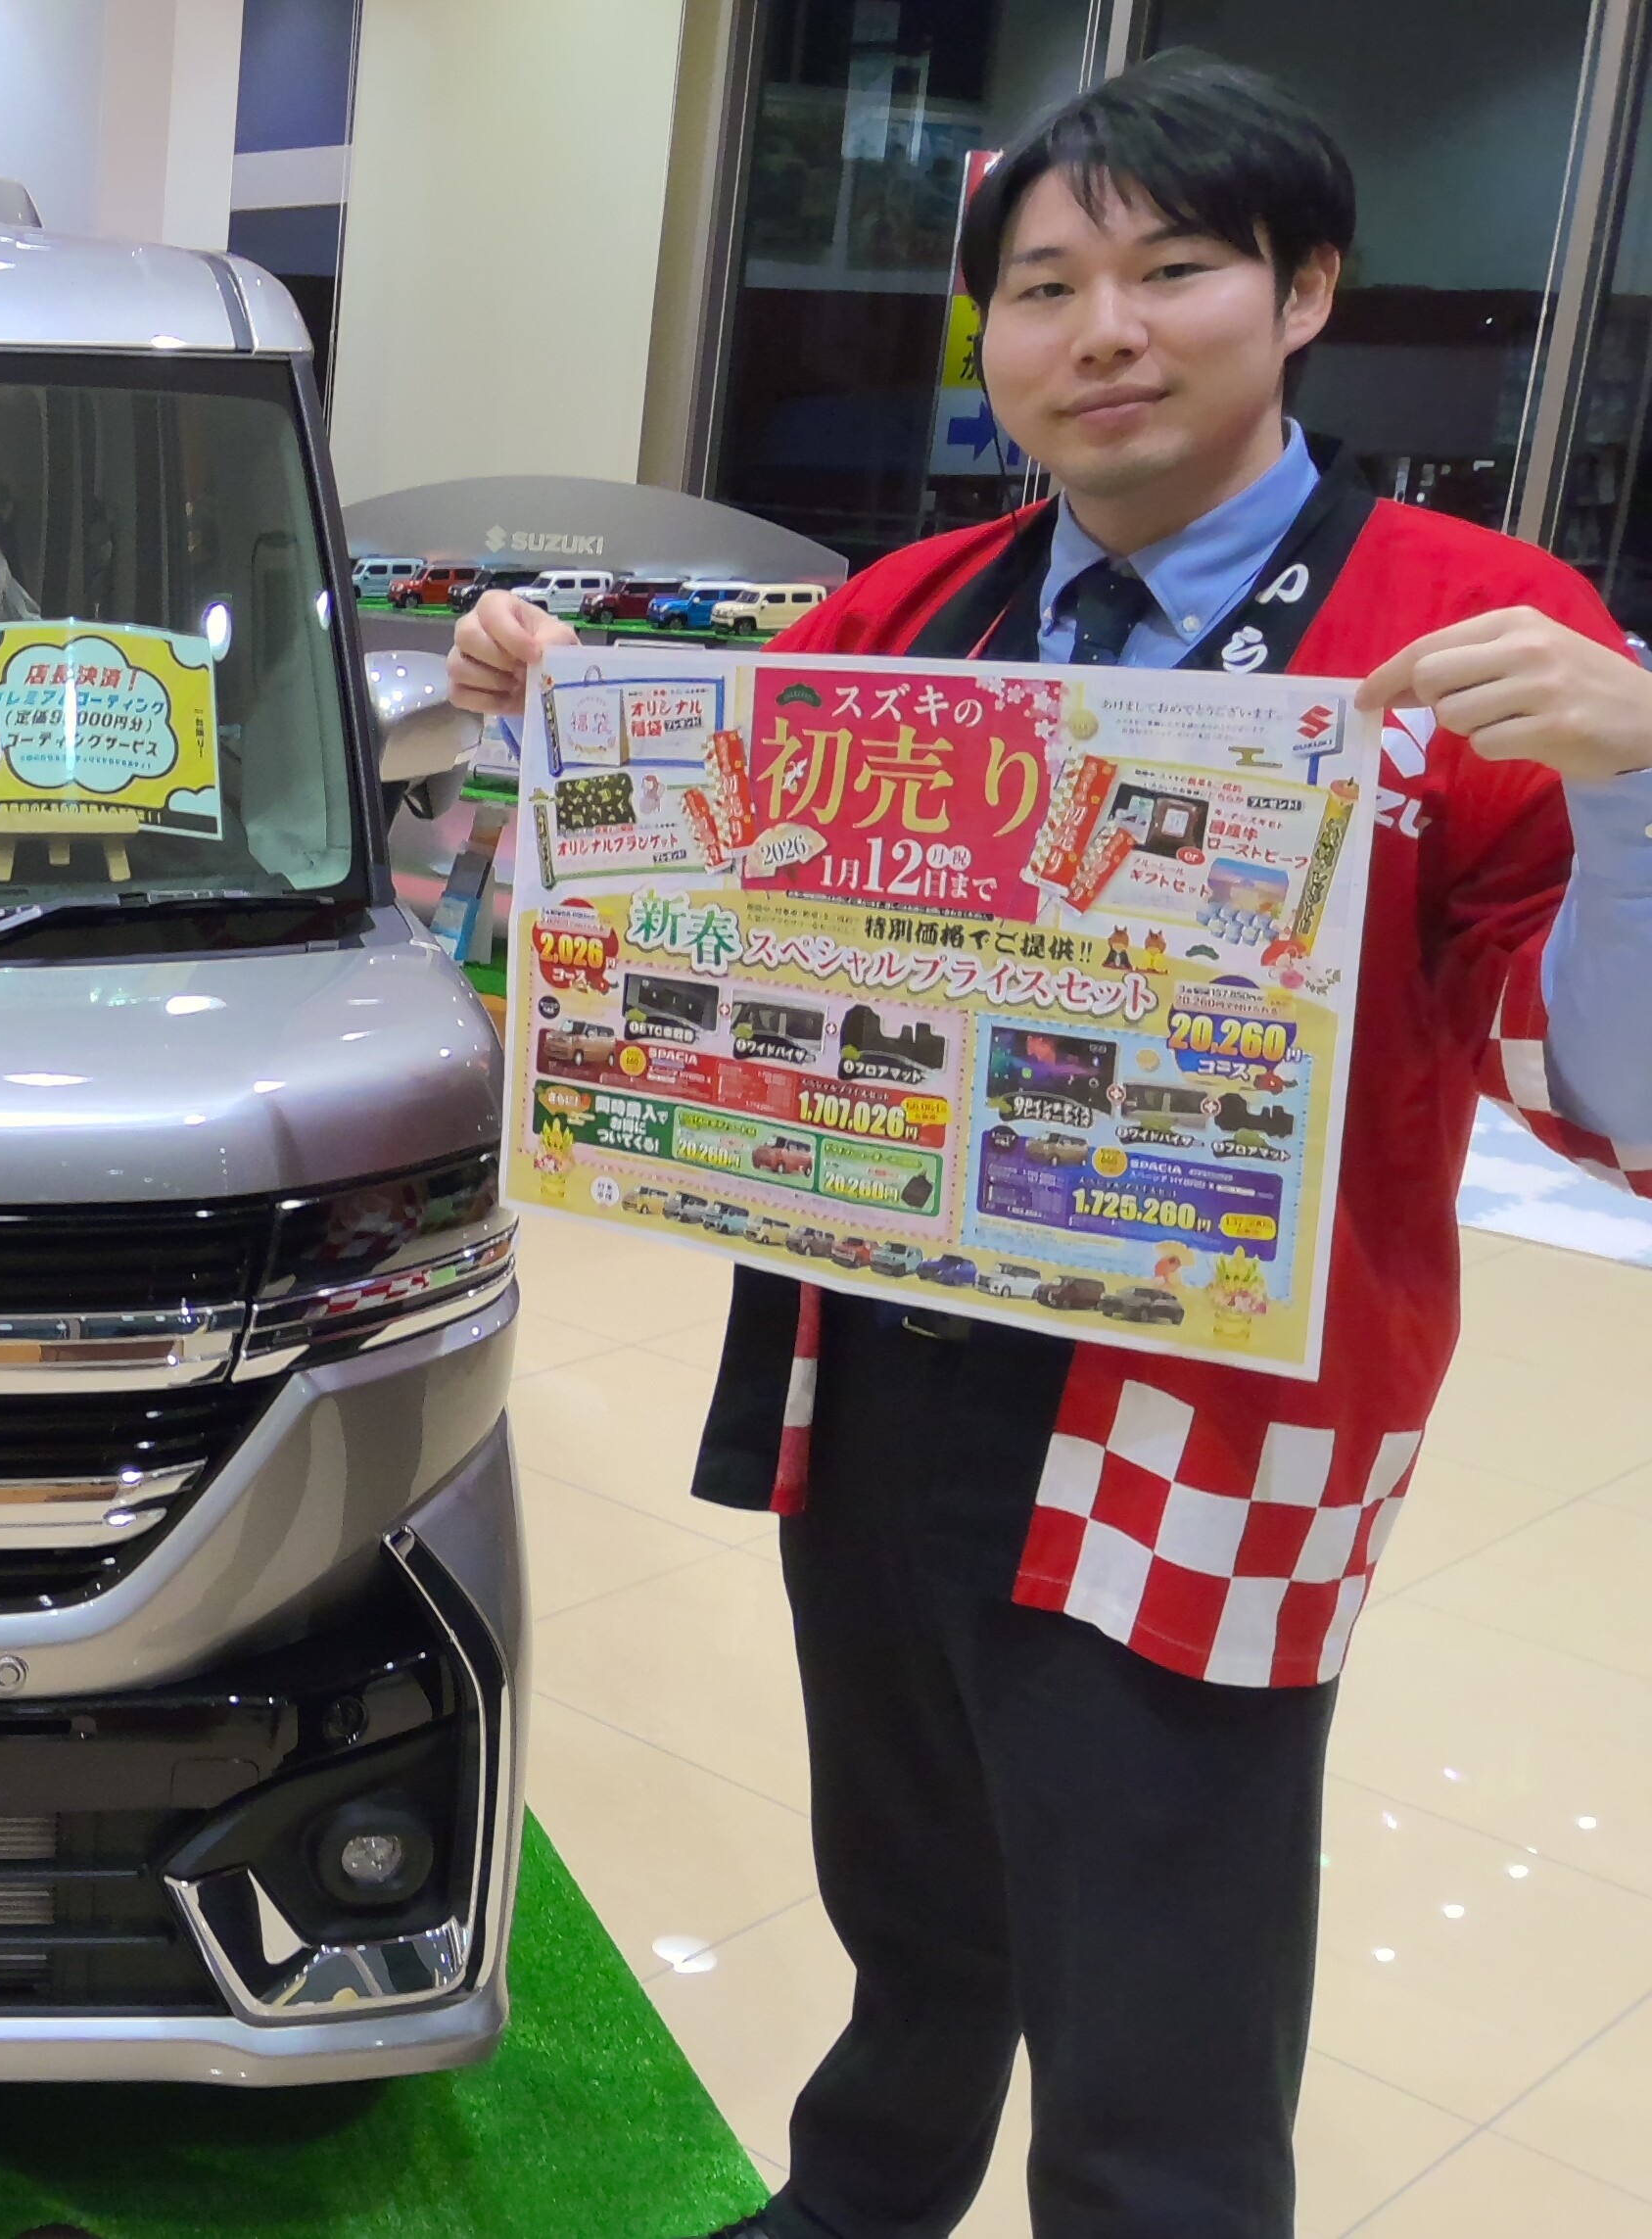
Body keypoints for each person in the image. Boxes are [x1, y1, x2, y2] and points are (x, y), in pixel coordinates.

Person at [452, 63, 1652, 2239]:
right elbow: (707, 929)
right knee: (910, 1870)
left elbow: (1607, 1101)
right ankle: (864, 2196)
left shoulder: (1469, 633)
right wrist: (565, 728)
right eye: (1040, 286)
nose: (1101, 333)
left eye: (1171, 270)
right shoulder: (907, 615)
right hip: (876, 1359)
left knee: (1162, 1970)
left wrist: (1643, 795)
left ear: (1304, 291)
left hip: (1218, 1405)